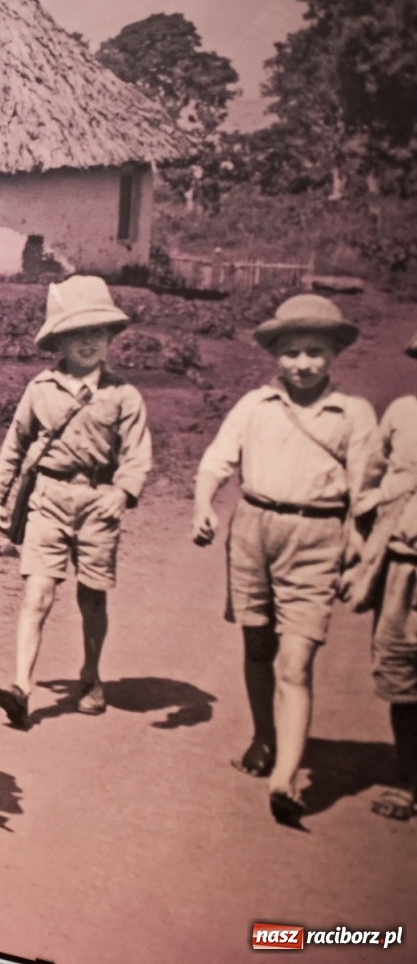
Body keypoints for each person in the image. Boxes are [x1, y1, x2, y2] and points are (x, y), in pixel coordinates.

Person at [192, 294, 376, 828]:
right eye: (291, 352)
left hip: (318, 537)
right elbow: (216, 462)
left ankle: (286, 780)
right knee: (257, 643)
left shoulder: (354, 413)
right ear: (276, 354)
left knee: (295, 660)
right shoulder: (255, 406)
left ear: (334, 354)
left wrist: (360, 544)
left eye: (315, 351)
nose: (302, 363)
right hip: (253, 529)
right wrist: (204, 504)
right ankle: (265, 739)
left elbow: (366, 491)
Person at [0, 276, 152, 728]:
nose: (88, 342)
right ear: (59, 339)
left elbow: (138, 453)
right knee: (37, 592)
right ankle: (21, 686)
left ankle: (90, 676)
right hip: (49, 499)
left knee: (92, 597)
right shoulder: (41, 389)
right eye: (77, 333)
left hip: (99, 502)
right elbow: (15, 445)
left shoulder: (123, 395)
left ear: (110, 337)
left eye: (97, 331)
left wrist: (122, 492)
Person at [339, 329, 417, 822]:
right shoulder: (404, 413)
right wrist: (360, 536)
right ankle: (406, 776)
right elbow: (369, 482)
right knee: (401, 673)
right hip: (404, 564)